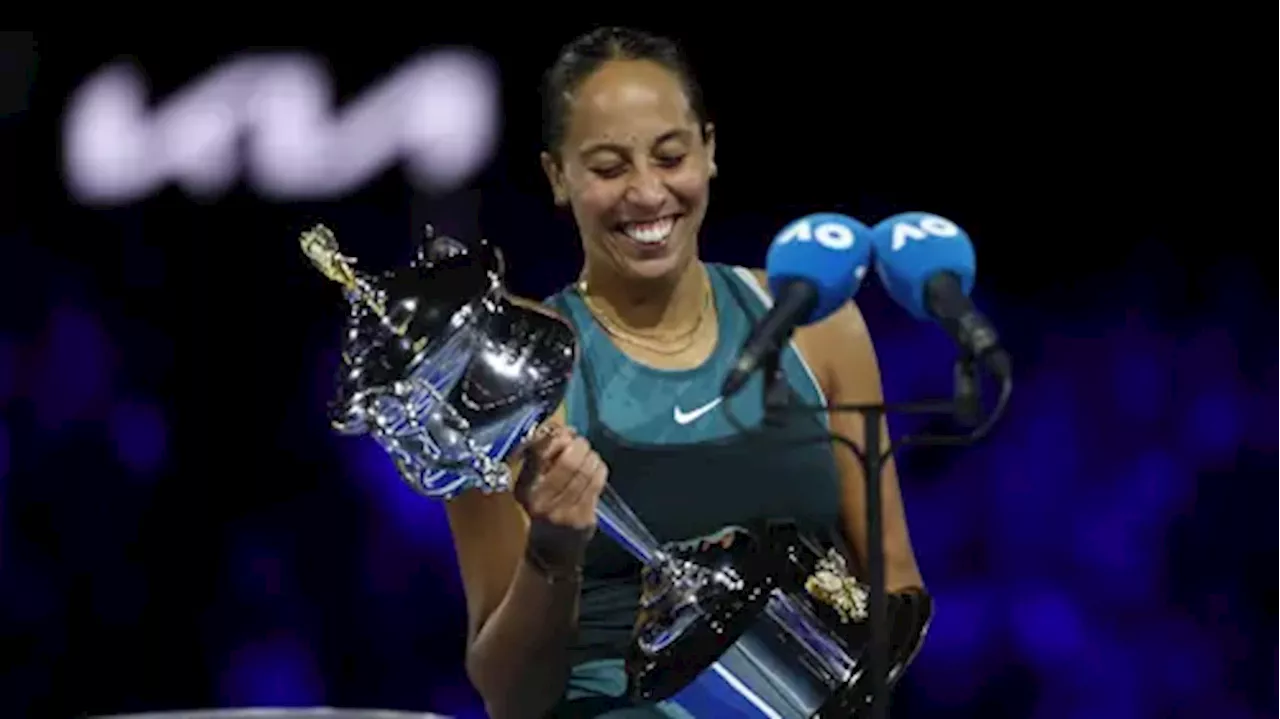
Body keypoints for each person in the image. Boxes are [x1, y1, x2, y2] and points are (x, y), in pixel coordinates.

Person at [444, 27, 928, 719]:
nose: (647, 193)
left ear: (709, 148)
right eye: (609, 167)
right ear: (558, 176)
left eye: (670, 156)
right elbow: (510, 697)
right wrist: (553, 553)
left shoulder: (822, 328)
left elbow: (895, 585)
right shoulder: (510, 374)